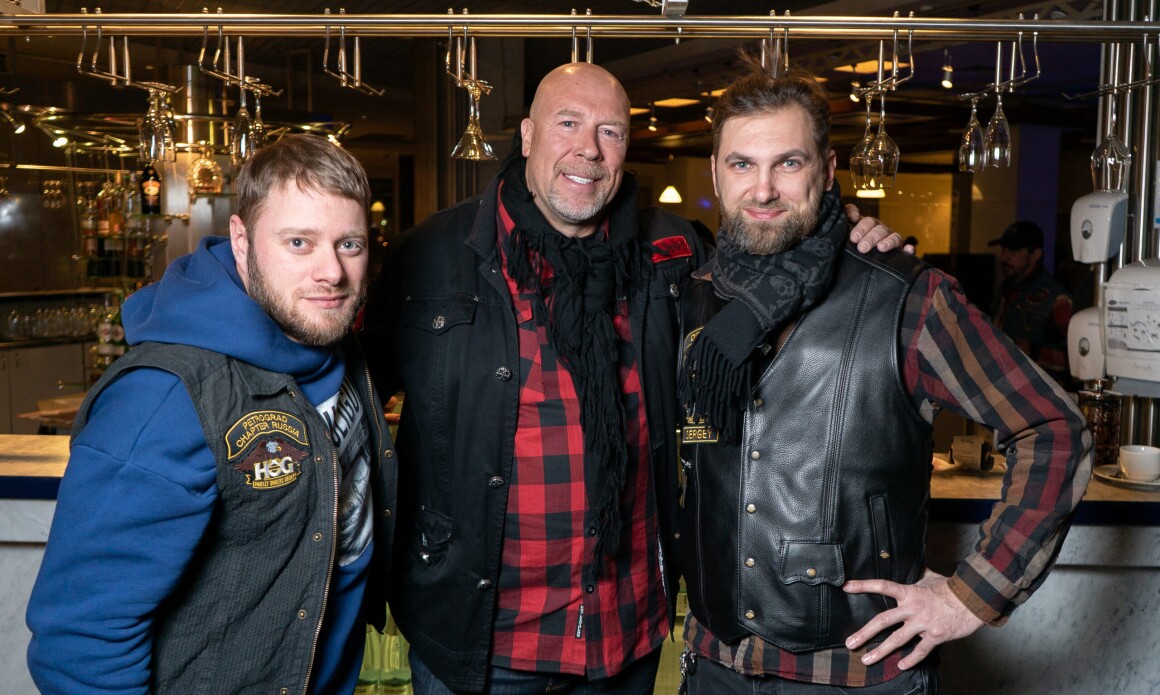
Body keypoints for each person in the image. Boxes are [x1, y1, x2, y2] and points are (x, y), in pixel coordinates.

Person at [359, 62, 903, 694]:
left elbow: (773, 274)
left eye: (610, 132)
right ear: (528, 137)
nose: (588, 149)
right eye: (568, 124)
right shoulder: (430, 256)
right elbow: (350, 404)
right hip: (483, 638)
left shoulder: (674, 251)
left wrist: (838, 233)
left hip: (625, 634)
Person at [674, 61, 1092, 694]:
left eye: (788, 163)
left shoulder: (907, 297)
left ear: (826, 169)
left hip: (856, 675)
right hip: (715, 667)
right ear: (715, 173)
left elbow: (1054, 427)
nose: (762, 189)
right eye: (741, 164)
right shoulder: (690, 295)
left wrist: (972, 596)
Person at [26, 134, 397, 694]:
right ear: (241, 240)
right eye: (299, 242)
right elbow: (81, 639)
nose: (332, 272)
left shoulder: (337, 347)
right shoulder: (163, 396)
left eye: (350, 244)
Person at [988, 220, 1074, 385]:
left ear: (1035, 255)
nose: (1004, 257)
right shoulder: (1005, 290)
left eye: (1014, 251)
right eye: (1004, 250)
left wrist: (1035, 352)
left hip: (1040, 391)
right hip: (1005, 385)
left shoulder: (1058, 299)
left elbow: (1080, 358)